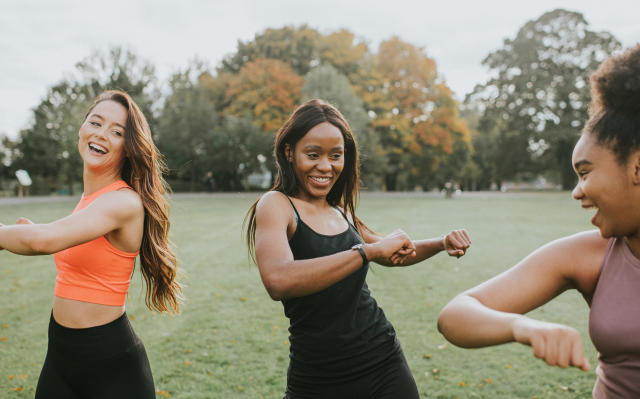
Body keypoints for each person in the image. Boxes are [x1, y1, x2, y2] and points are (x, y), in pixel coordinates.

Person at [437, 44, 640, 398]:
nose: (577, 192)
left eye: (585, 172)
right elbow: (455, 316)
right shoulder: (589, 256)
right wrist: (520, 326)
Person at [244, 99, 471, 399]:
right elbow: (278, 279)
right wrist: (365, 253)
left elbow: (393, 252)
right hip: (318, 374)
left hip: (383, 359)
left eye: (335, 156)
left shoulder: (340, 211)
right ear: (289, 152)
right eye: (313, 154)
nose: (325, 166)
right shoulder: (276, 205)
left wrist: (441, 242)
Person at [0, 90, 181, 399]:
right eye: (95, 123)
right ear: (82, 129)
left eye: (117, 131)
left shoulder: (124, 202)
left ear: (129, 147)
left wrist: (15, 234)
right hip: (60, 357)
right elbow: (63, 243)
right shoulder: (89, 201)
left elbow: (47, 240)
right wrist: (28, 233)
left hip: (110, 367)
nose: (101, 134)